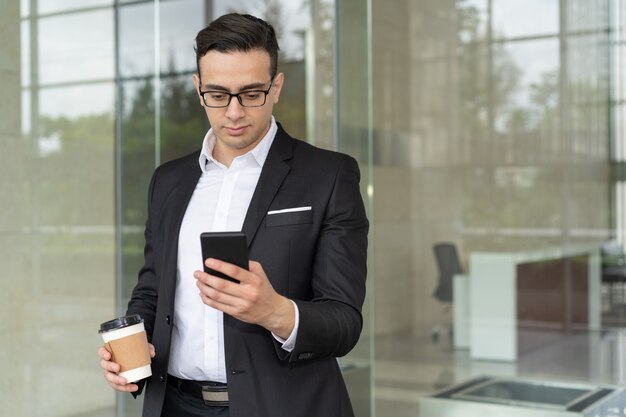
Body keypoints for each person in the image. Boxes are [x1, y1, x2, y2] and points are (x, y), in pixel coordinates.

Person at [98, 12, 368, 417]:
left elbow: (344, 320)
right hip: (173, 405)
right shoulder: (167, 181)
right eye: (219, 95)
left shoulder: (328, 176)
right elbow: (153, 290)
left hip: (286, 406)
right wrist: (131, 351)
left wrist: (275, 311)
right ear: (198, 89)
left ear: (276, 87)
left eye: (252, 93)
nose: (235, 112)